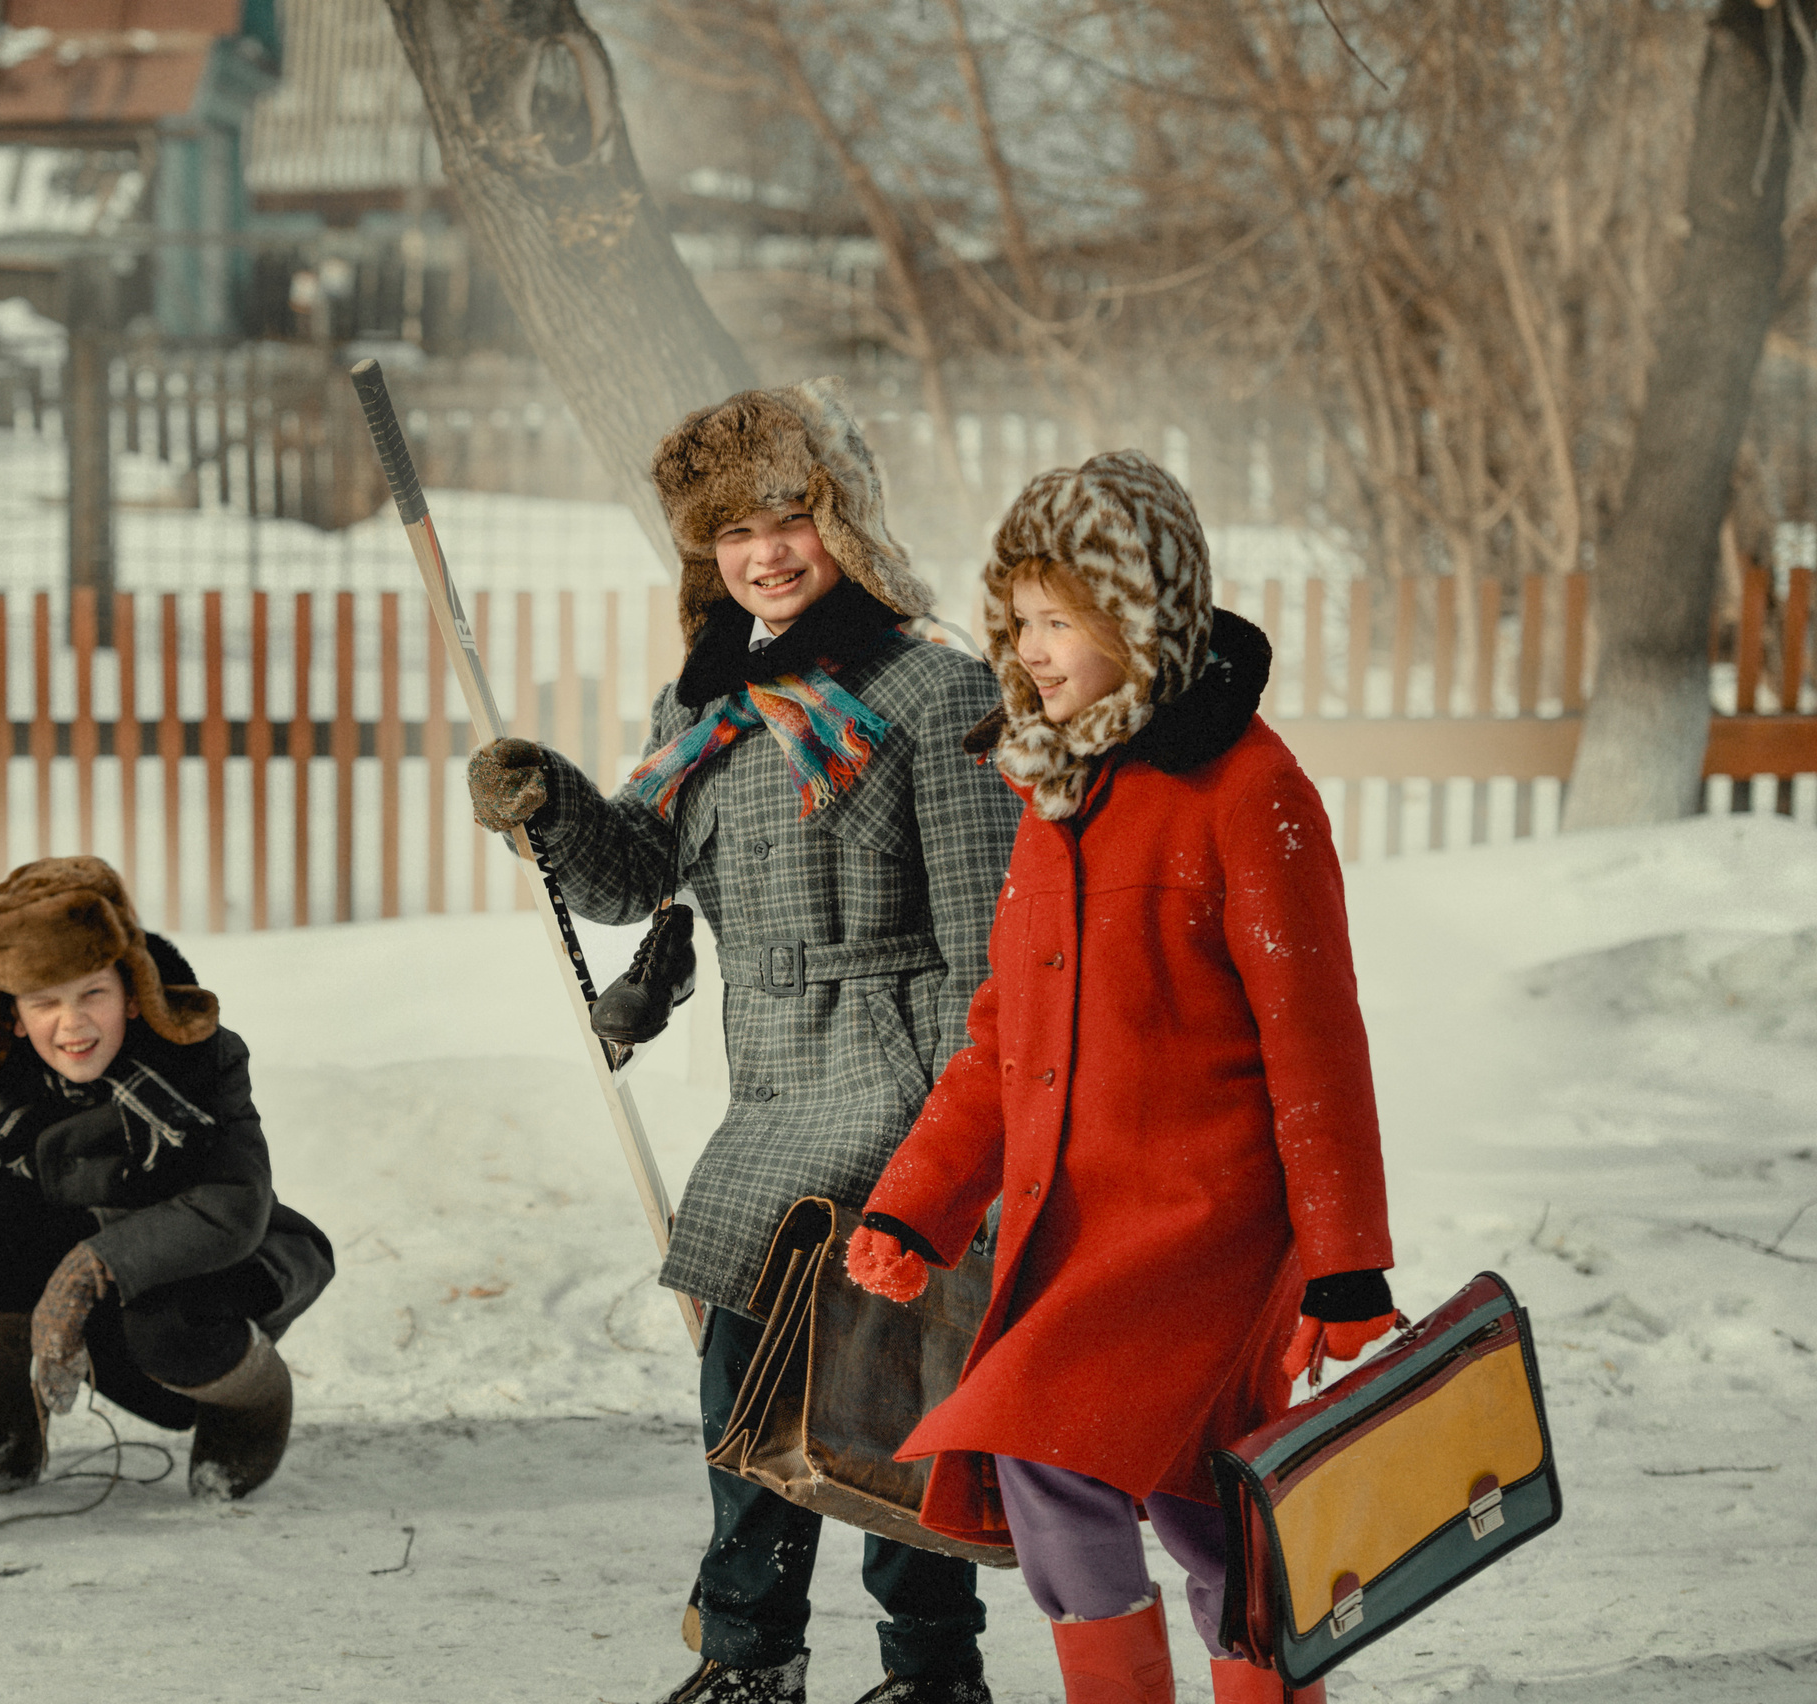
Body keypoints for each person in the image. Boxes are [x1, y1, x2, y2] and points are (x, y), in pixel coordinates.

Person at [467, 379, 1021, 1704]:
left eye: (790, 518)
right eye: (732, 535)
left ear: (849, 523)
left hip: (898, 1083)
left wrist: (965, 1154)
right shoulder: (707, 704)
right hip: (772, 1082)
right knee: (776, 1380)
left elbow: (983, 949)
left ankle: (831, 1660)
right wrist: (547, 799)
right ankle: (803, 1660)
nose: (764, 555)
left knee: (871, 1381)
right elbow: (630, 877)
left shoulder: (937, 693)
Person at [844, 451, 1398, 1704]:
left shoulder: (1250, 790)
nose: (1032, 649)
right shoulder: (1057, 791)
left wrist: (1345, 1257)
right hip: (1078, 1225)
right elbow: (1004, 1034)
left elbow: (1317, 1041)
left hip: (1208, 1229)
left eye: (1061, 619)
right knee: (1080, 1465)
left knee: (1197, 1503)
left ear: (1140, 617)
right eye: (1019, 620)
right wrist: (915, 1202)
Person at [0, 856, 334, 1504]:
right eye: (44, 1003)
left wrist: (89, 1269)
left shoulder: (201, 1059)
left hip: (212, 1272)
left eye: (92, 993)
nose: (72, 1024)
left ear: (131, 989)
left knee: (163, 1327)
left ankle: (251, 1404)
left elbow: (234, 1204)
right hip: (89, 1300)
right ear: (12, 1015)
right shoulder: (5, 1090)